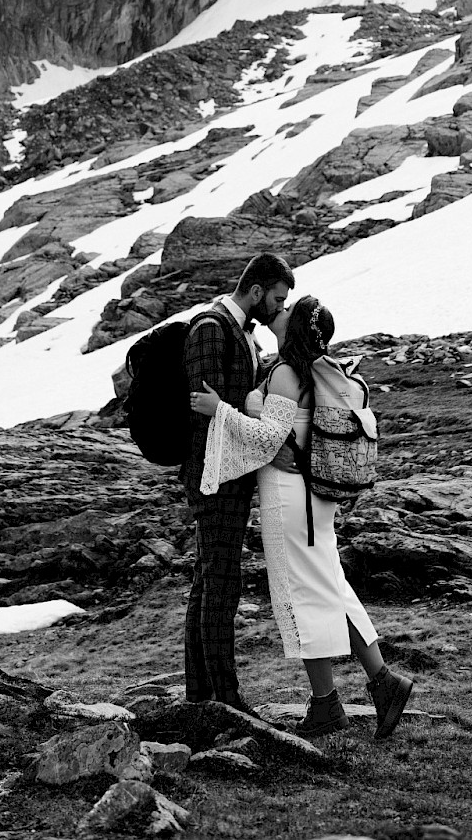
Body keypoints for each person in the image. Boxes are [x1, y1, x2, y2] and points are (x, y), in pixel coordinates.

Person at [191, 294, 414, 740]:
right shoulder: (310, 368)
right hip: (312, 499)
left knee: (302, 597)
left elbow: (270, 437)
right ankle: (383, 682)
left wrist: (222, 411)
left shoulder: (287, 374)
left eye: (289, 310)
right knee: (331, 589)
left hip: (291, 501)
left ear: (294, 329)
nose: (282, 309)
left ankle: (327, 705)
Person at [180, 251, 295, 711]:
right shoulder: (212, 328)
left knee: (209, 581)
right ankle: (224, 698)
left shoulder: (241, 334)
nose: (280, 307)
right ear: (255, 291)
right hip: (214, 478)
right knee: (221, 586)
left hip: (230, 475)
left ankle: (202, 694)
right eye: (277, 298)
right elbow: (207, 412)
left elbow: (230, 407)